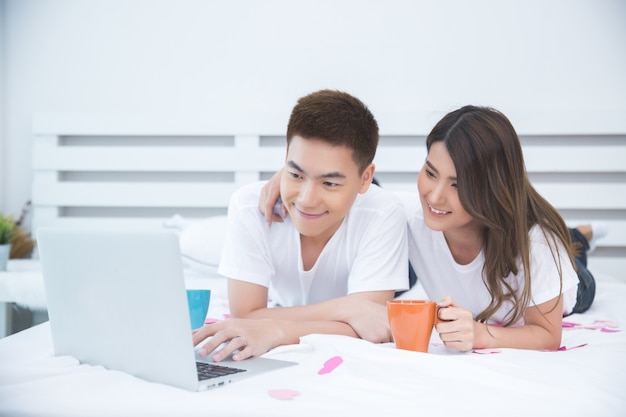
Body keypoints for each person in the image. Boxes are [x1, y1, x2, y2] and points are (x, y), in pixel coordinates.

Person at [261, 105, 604, 352]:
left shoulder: (537, 244)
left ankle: (579, 239)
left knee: (575, 264)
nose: (434, 196)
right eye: (430, 172)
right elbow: (357, 181)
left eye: (458, 184)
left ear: (492, 186)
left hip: (559, 283)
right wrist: (296, 176)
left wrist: (481, 334)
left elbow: (546, 335)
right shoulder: (408, 212)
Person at [193, 89, 409, 362]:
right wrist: (349, 308)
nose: (307, 200)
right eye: (295, 173)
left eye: (329, 182)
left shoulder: (385, 212)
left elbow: (372, 326)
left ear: (366, 177)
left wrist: (276, 329)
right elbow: (245, 315)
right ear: (284, 157)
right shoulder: (249, 206)